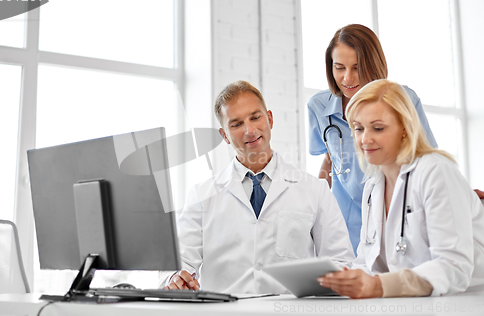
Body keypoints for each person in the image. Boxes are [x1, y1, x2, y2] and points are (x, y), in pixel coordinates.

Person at [163, 80, 355, 294]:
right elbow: (179, 262)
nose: (250, 130)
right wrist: (177, 277)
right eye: (236, 124)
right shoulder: (202, 195)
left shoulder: (314, 190)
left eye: (255, 117)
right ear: (224, 135)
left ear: (270, 119)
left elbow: (341, 261)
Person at [317, 79, 484, 298]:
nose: (365, 139)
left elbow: (454, 267)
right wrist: (334, 282)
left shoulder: (435, 171)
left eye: (378, 128)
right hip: (411, 305)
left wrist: (378, 286)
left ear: (405, 129)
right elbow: (368, 264)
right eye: (358, 128)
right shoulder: (372, 186)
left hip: (464, 302)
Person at [307, 24, 437, 254]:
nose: (347, 78)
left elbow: (426, 158)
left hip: (396, 209)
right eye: (339, 67)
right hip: (344, 218)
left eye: (357, 68)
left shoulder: (404, 99)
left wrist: (456, 194)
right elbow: (330, 158)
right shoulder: (318, 106)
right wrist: (312, 205)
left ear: (373, 64)